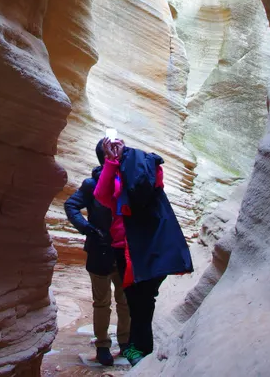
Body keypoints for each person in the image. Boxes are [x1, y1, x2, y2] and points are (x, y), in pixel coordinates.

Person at [94, 135, 192, 366]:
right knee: (143, 301)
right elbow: (154, 180)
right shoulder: (146, 170)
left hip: (131, 247)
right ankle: (140, 352)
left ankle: (139, 353)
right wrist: (125, 158)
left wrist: (114, 162)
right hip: (144, 245)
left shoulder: (128, 175)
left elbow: (102, 196)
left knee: (138, 302)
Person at [63, 144, 130, 366]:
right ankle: (103, 346)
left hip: (121, 251)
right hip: (100, 250)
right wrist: (87, 228)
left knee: (124, 300)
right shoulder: (92, 185)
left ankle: (126, 343)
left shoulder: (127, 181)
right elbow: (71, 205)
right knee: (103, 302)